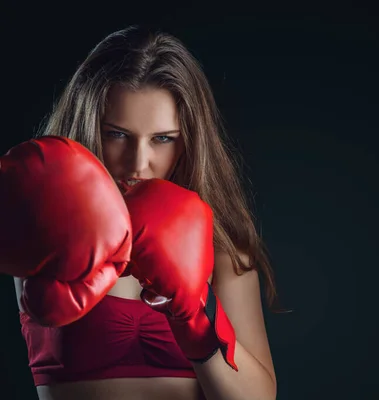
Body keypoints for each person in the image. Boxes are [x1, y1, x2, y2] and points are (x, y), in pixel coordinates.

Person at [1, 25, 280, 400]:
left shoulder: (222, 246)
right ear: (89, 126)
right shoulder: (45, 223)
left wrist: (198, 319)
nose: (139, 163)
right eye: (117, 134)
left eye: (162, 139)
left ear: (188, 142)